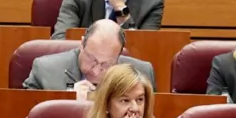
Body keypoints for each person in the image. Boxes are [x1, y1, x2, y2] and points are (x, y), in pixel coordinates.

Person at [22, 19, 154, 98]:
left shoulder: (142, 74)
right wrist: (69, 101)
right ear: (82, 44)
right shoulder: (45, 70)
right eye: (92, 59)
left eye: (106, 64)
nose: (96, 71)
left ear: (119, 57)